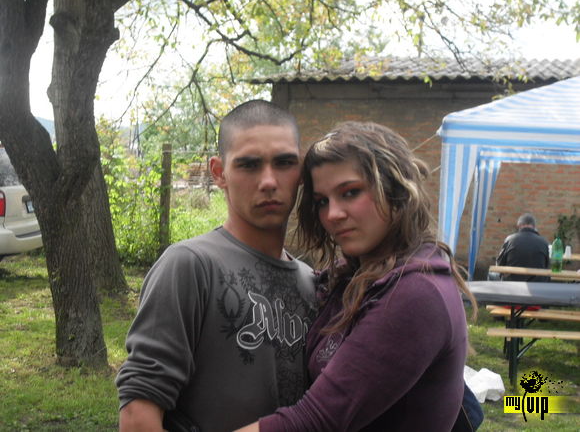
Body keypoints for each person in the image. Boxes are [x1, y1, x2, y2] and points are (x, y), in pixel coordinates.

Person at [236, 121, 478, 432]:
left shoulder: (415, 293)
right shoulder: (357, 275)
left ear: (394, 189)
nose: (333, 214)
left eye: (350, 192)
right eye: (322, 201)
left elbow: (315, 422)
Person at [115, 100, 317, 432]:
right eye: (249, 165)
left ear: (301, 172)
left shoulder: (313, 283)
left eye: (284, 163)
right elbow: (138, 417)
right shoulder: (190, 266)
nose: (269, 181)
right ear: (219, 173)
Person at [496, 213, 550, 281]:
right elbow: (547, 265)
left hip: (512, 283)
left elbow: (499, 263)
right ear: (534, 226)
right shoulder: (544, 242)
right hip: (537, 284)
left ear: (519, 225)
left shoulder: (510, 240)